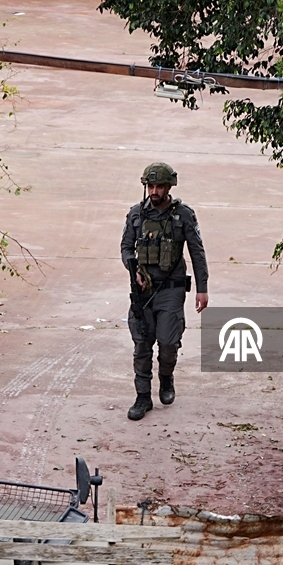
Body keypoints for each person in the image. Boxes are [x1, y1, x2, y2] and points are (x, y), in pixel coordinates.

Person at [120, 162, 209, 421]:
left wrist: (202, 289)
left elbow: (197, 252)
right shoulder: (136, 215)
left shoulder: (183, 215)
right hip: (143, 290)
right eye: (151, 186)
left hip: (171, 289)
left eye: (159, 186)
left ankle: (166, 377)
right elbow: (126, 248)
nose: (154, 191)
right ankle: (143, 396)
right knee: (142, 344)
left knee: (169, 343)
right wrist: (134, 269)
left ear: (169, 187)